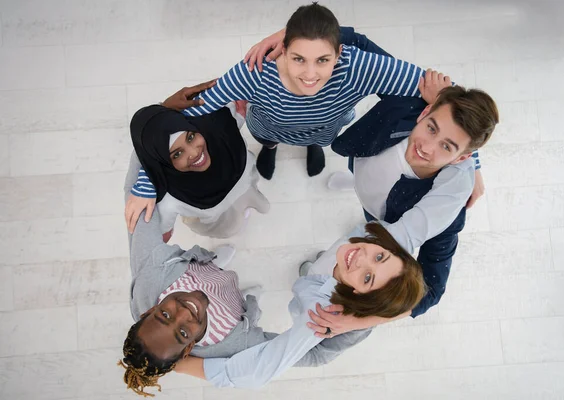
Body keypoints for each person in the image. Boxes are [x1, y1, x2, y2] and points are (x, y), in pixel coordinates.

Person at [244, 26, 498, 338]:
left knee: (369, 216)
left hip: (381, 213)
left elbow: (431, 292)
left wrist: (360, 321)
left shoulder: (445, 211)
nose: (427, 147)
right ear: (427, 110)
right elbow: (354, 40)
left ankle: (360, 193)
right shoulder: (412, 100)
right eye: (431, 127)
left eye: (447, 146)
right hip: (364, 160)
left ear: (461, 158)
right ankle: (349, 179)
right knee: (359, 178)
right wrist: (288, 35)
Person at [133, 3, 432, 185]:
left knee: (320, 139)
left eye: (323, 60)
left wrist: (470, 159)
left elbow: (439, 93)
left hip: (325, 129)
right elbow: (177, 124)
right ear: (283, 49)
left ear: (340, 53)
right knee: (267, 138)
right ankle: (271, 149)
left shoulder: (358, 65)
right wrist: (162, 112)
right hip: (269, 127)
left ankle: (313, 147)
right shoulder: (254, 71)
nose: (310, 75)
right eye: (299, 59)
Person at [171, 222, 425, 389]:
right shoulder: (364, 245)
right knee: (315, 270)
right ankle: (311, 271)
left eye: (367, 277)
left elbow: (257, 371)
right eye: (380, 256)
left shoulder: (323, 317)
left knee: (260, 339)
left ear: (359, 294)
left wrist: (182, 365)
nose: (361, 258)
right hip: (320, 281)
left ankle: (247, 311)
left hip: (314, 333)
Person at [124, 98, 269, 239]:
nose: (194, 153)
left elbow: (241, 99)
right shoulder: (168, 200)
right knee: (233, 227)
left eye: (191, 136)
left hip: (248, 191)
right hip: (220, 222)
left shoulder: (219, 123)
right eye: (177, 154)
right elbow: (162, 236)